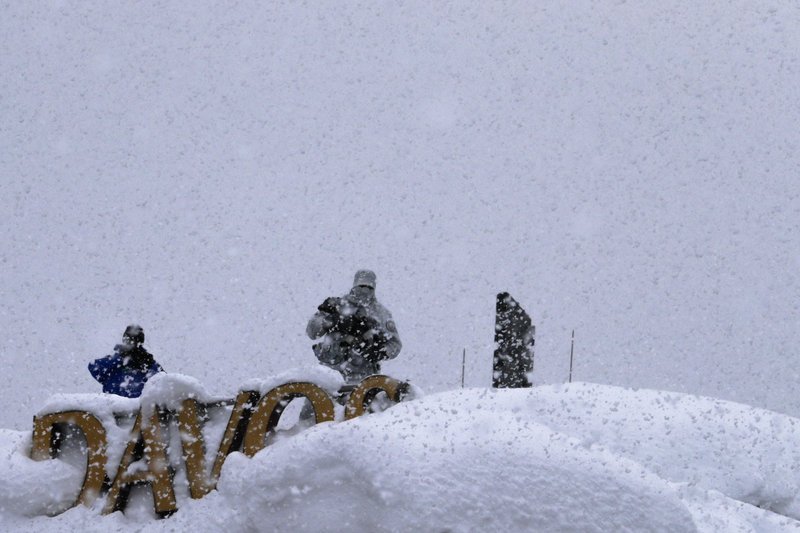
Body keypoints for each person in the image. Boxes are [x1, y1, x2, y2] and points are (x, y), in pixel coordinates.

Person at [307, 270, 402, 384]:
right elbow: (312, 333)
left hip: (363, 379)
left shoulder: (381, 314)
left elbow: (395, 345)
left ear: (374, 286)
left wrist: (378, 351)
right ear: (355, 284)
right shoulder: (337, 305)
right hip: (330, 376)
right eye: (361, 286)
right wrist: (330, 320)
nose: (364, 290)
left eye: (368, 287)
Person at [88, 324, 164, 398]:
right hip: (111, 404)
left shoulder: (147, 362)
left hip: (136, 405)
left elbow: (163, 381)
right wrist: (120, 358)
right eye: (128, 339)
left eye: (134, 340)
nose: (130, 343)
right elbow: (93, 367)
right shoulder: (115, 362)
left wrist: (146, 361)